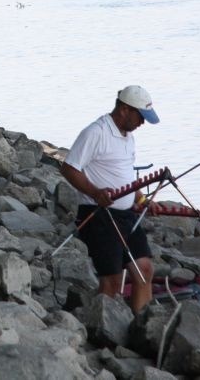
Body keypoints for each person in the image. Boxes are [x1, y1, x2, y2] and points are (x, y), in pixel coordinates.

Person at [60, 85, 161, 314]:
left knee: (144, 269)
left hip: (127, 216)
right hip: (99, 216)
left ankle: (141, 328)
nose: (142, 123)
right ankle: (100, 329)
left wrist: (143, 200)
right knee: (113, 280)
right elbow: (68, 168)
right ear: (124, 109)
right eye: (140, 116)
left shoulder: (129, 138)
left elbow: (125, 179)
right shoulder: (96, 132)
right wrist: (96, 193)